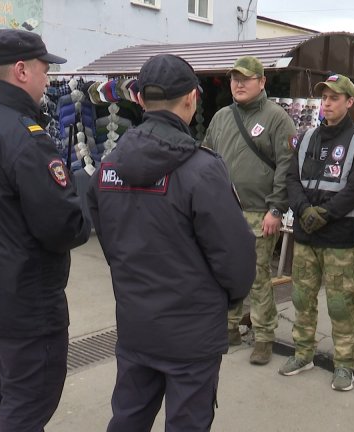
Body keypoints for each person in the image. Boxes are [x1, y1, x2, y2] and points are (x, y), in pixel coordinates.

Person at [86, 54, 256, 431]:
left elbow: (109, 238)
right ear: (192, 99)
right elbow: (237, 259)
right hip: (191, 332)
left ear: (141, 101)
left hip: (137, 322)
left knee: (128, 416)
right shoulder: (203, 169)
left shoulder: (109, 166)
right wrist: (227, 299)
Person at [0, 29, 91, 431]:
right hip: (24, 301)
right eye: (46, 69)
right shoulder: (25, 138)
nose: (49, 78)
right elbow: (61, 227)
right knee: (27, 402)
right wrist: (87, 208)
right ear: (22, 70)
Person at [278, 73, 354, 391]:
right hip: (306, 235)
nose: (327, 103)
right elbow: (292, 178)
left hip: (337, 237)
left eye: (334, 98)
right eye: (324, 97)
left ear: (349, 102)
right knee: (302, 298)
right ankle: (303, 353)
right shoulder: (305, 137)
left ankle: (345, 365)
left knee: (339, 303)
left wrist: (324, 214)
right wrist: (304, 209)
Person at [202, 55, 296, 365]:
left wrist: (276, 209)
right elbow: (205, 160)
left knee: (257, 277)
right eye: (234, 79)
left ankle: (264, 336)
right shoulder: (221, 117)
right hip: (223, 211)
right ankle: (228, 328)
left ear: (262, 82)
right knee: (224, 274)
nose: (239, 84)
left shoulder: (277, 117)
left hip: (260, 212)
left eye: (246, 78)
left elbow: (286, 166)